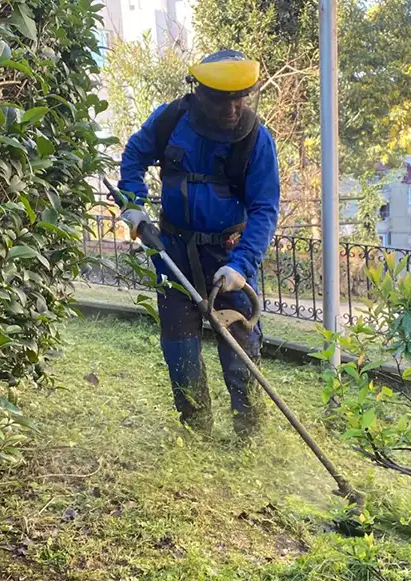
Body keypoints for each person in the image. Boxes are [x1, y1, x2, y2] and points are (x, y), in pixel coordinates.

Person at [118, 49, 281, 437]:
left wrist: (241, 266)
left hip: (228, 255)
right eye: (221, 98)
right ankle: (197, 432)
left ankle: (250, 433)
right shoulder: (171, 120)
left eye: (240, 97)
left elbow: (264, 209)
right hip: (173, 250)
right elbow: (134, 156)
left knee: (240, 348)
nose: (232, 108)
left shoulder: (256, 140)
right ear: (198, 92)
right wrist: (134, 206)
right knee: (181, 348)